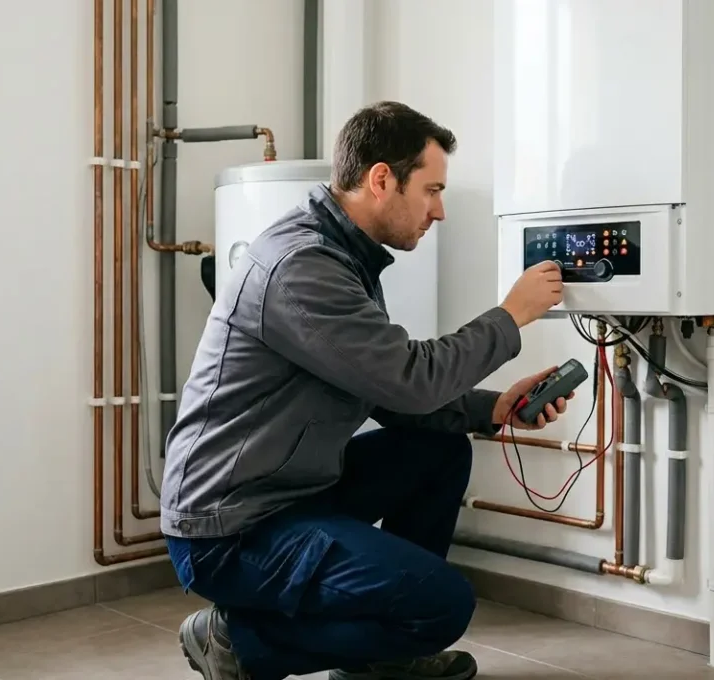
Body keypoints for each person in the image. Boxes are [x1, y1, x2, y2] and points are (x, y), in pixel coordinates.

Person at [160, 100, 571, 680]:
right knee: (443, 604)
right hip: (231, 525)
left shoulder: (343, 257)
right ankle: (237, 641)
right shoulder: (303, 265)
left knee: (439, 450)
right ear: (382, 179)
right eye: (430, 190)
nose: (440, 210)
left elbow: (384, 388)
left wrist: (492, 408)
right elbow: (409, 377)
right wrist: (510, 316)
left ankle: (382, 661)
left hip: (285, 490)